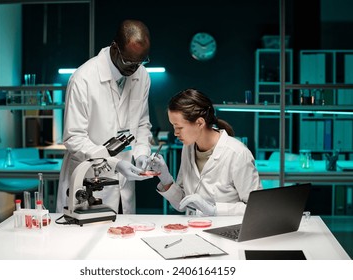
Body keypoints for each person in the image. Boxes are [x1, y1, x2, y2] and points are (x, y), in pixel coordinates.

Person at [56, 19, 153, 214]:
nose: (135, 68)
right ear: (115, 48)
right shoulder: (83, 79)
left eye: (140, 62)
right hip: (89, 177)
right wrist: (114, 163)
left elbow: (142, 124)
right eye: (130, 62)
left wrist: (142, 153)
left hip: (124, 183)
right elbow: (74, 138)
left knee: (122, 237)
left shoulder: (141, 75)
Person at [146, 88, 262, 216]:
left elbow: (256, 208)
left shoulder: (237, 153)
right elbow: (182, 204)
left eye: (179, 127)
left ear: (200, 122)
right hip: (194, 228)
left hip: (226, 230)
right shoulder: (188, 148)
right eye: (173, 126)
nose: (175, 133)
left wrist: (214, 210)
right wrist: (165, 178)